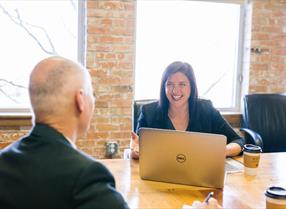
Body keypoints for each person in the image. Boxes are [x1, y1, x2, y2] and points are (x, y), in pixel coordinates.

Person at [0, 56, 129, 209]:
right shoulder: (87, 176)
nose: (93, 101)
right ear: (80, 100)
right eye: (92, 94)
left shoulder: (4, 161)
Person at [131, 61, 244, 159]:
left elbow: (238, 141)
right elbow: (136, 149)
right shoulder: (148, 112)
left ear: (192, 87)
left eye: (182, 84)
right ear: (163, 87)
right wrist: (136, 151)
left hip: (199, 177)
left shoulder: (206, 109)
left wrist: (222, 151)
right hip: (159, 177)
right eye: (170, 84)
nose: (175, 91)